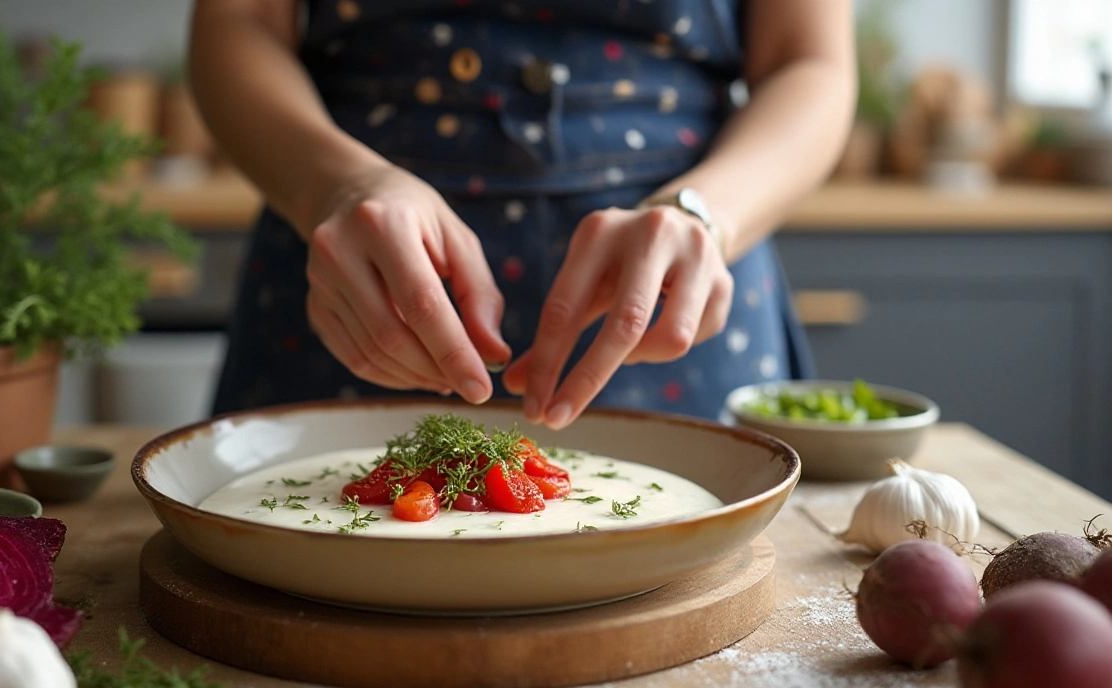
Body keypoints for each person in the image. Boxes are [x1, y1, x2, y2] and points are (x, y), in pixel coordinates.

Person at [194, 0, 854, 430]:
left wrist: (703, 213)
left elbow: (811, 62)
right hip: (354, 272)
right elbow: (235, 24)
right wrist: (339, 187)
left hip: (674, 304)